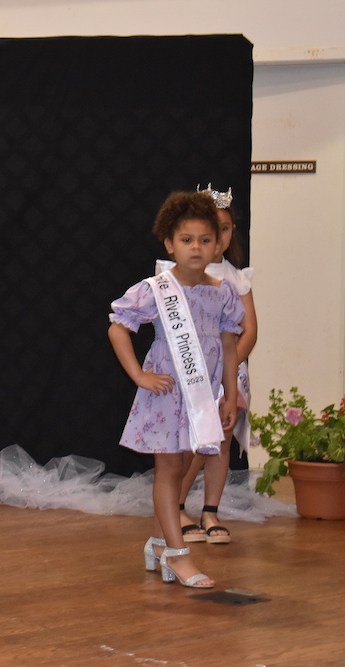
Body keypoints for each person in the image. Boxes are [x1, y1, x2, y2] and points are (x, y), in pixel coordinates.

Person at [108, 190, 244, 589]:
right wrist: (138, 375)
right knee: (169, 469)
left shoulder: (223, 292)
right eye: (186, 240)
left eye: (205, 239)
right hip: (167, 394)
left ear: (218, 243)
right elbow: (118, 328)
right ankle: (178, 554)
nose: (196, 248)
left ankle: (156, 543)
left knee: (183, 465)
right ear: (169, 244)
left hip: (202, 397)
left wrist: (230, 394)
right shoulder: (155, 289)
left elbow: (230, 344)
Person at [171, 186, 257, 544]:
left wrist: (228, 371)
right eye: (211, 230)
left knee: (220, 439)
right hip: (192, 371)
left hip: (229, 372)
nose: (217, 237)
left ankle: (210, 510)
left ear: (230, 232)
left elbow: (248, 331)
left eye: (224, 229)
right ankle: (174, 505)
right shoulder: (177, 274)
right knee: (191, 442)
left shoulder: (236, 278)